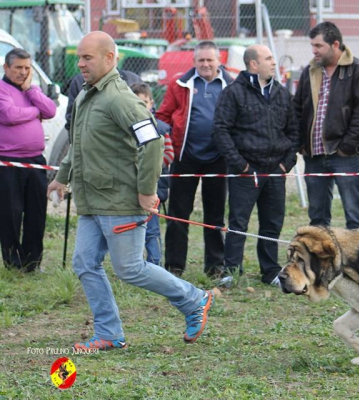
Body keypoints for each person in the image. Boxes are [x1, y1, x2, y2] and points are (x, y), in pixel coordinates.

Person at [47, 31, 213, 351]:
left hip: (120, 200)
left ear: (110, 58)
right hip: (92, 200)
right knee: (84, 263)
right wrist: (61, 177)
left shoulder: (120, 99)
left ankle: (195, 300)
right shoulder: (86, 95)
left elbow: (153, 142)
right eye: (80, 57)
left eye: (87, 58)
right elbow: (78, 144)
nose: (80, 64)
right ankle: (109, 332)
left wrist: (145, 191)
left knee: (130, 269)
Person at [213, 44, 300, 285]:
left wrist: (286, 164)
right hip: (246, 171)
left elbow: (294, 131)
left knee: (272, 223)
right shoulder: (233, 93)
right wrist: (240, 165)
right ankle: (232, 272)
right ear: (253, 64)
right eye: (268, 58)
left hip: (275, 170)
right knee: (238, 222)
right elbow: (221, 130)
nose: (274, 62)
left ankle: (270, 271)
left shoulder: (282, 94)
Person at [156, 41, 232, 277]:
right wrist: (163, 136)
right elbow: (163, 115)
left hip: (218, 158)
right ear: (194, 62)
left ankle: (215, 266)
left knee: (215, 215)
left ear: (219, 60)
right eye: (201, 60)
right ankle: (175, 266)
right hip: (185, 157)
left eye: (210, 60)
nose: (206, 64)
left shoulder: (231, 86)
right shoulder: (179, 85)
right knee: (178, 214)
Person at [294, 22, 359, 229]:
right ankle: (321, 260)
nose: (314, 50)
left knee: (355, 216)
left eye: (319, 46)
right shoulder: (309, 71)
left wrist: (347, 147)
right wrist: (302, 144)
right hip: (314, 156)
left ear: (335, 44)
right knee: (317, 219)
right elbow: (297, 109)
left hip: (346, 156)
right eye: (312, 45)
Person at [0, 48, 57, 272]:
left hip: (35, 161)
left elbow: (50, 110)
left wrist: (31, 92)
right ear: (6, 68)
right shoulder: (2, 89)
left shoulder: (30, 90)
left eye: (27, 68)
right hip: (8, 162)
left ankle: (32, 263)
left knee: (37, 212)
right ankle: (13, 263)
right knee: (10, 213)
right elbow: (9, 115)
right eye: (18, 68)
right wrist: (35, 112)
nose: (23, 72)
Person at [130, 82, 174, 266]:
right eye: (137, 102)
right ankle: (134, 264)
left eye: (145, 102)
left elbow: (169, 155)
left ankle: (155, 263)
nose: (142, 106)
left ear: (152, 103)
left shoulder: (161, 128)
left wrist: (149, 166)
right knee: (132, 228)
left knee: (152, 229)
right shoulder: (126, 127)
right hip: (131, 187)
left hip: (154, 188)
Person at [65, 46, 141, 132]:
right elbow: (71, 119)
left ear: (116, 59)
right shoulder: (79, 82)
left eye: (87, 58)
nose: (80, 64)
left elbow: (147, 109)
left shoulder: (132, 80)